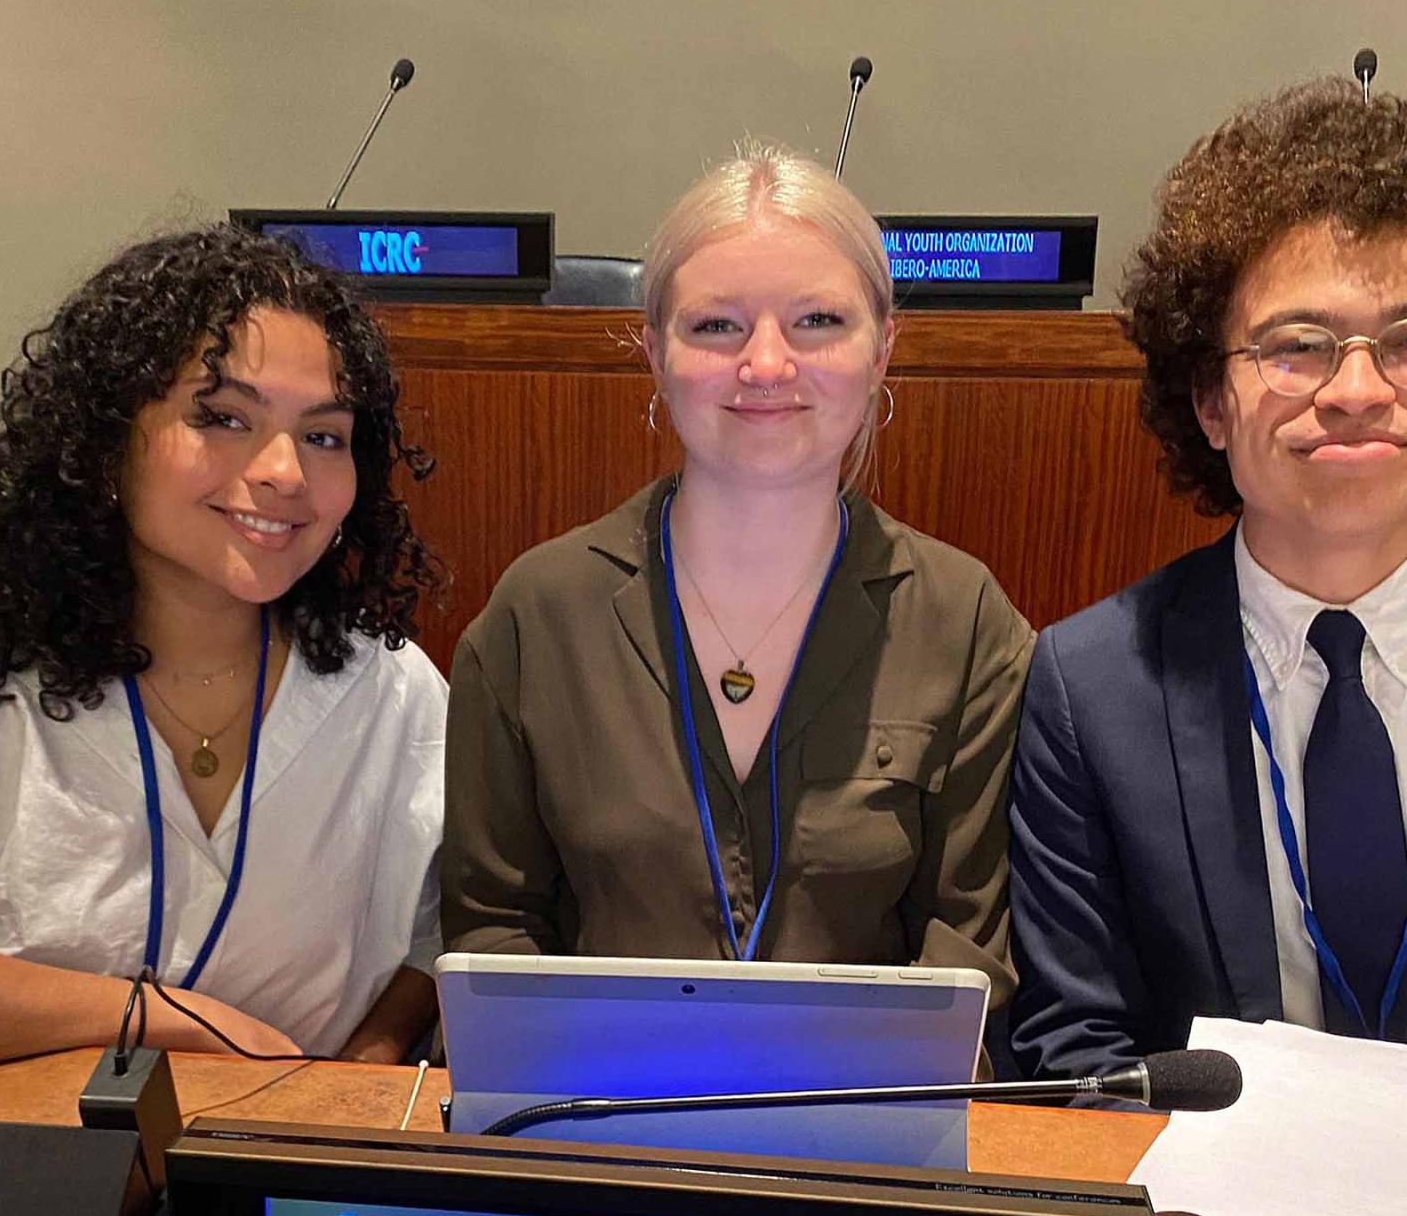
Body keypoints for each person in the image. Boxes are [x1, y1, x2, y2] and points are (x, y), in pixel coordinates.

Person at [1008, 81, 1407, 1088]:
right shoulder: (1091, 686)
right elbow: (1071, 1051)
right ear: (1212, 400)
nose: (1355, 391)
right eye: (1297, 347)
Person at [442, 143, 1033, 1022]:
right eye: (717, 325)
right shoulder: (536, 615)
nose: (765, 365)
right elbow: (492, 932)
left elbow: (967, 958)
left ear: (882, 352)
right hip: (595, 1132)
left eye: (818, 322)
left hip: (866, 1139)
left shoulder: (966, 621)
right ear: (654, 353)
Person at [0, 225, 449, 1065]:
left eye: (325, 435)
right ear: (107, 441)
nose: (285, 471)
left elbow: (438, 946)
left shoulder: (393, 692)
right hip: (4, 1183)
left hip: (281, 1180)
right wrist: (170, 1021)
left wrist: (357, 1083)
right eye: (222, 417)